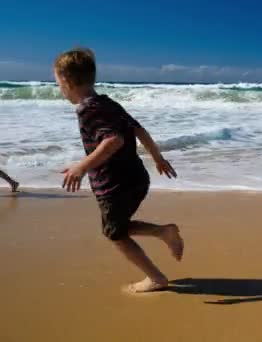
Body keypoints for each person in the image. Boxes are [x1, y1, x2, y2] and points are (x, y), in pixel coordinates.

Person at [54, 47, 184, 292]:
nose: (60, 90)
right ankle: (163, 232)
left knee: (115, 234)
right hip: (136, 178)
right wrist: (158, 158)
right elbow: (139, 129)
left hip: (115, 185)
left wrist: (81, 167)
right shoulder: (107, 103)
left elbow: (114, 140)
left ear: (68, 82)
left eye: (59, 83)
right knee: (116, 227)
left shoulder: (87, 110)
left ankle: (157, 275)